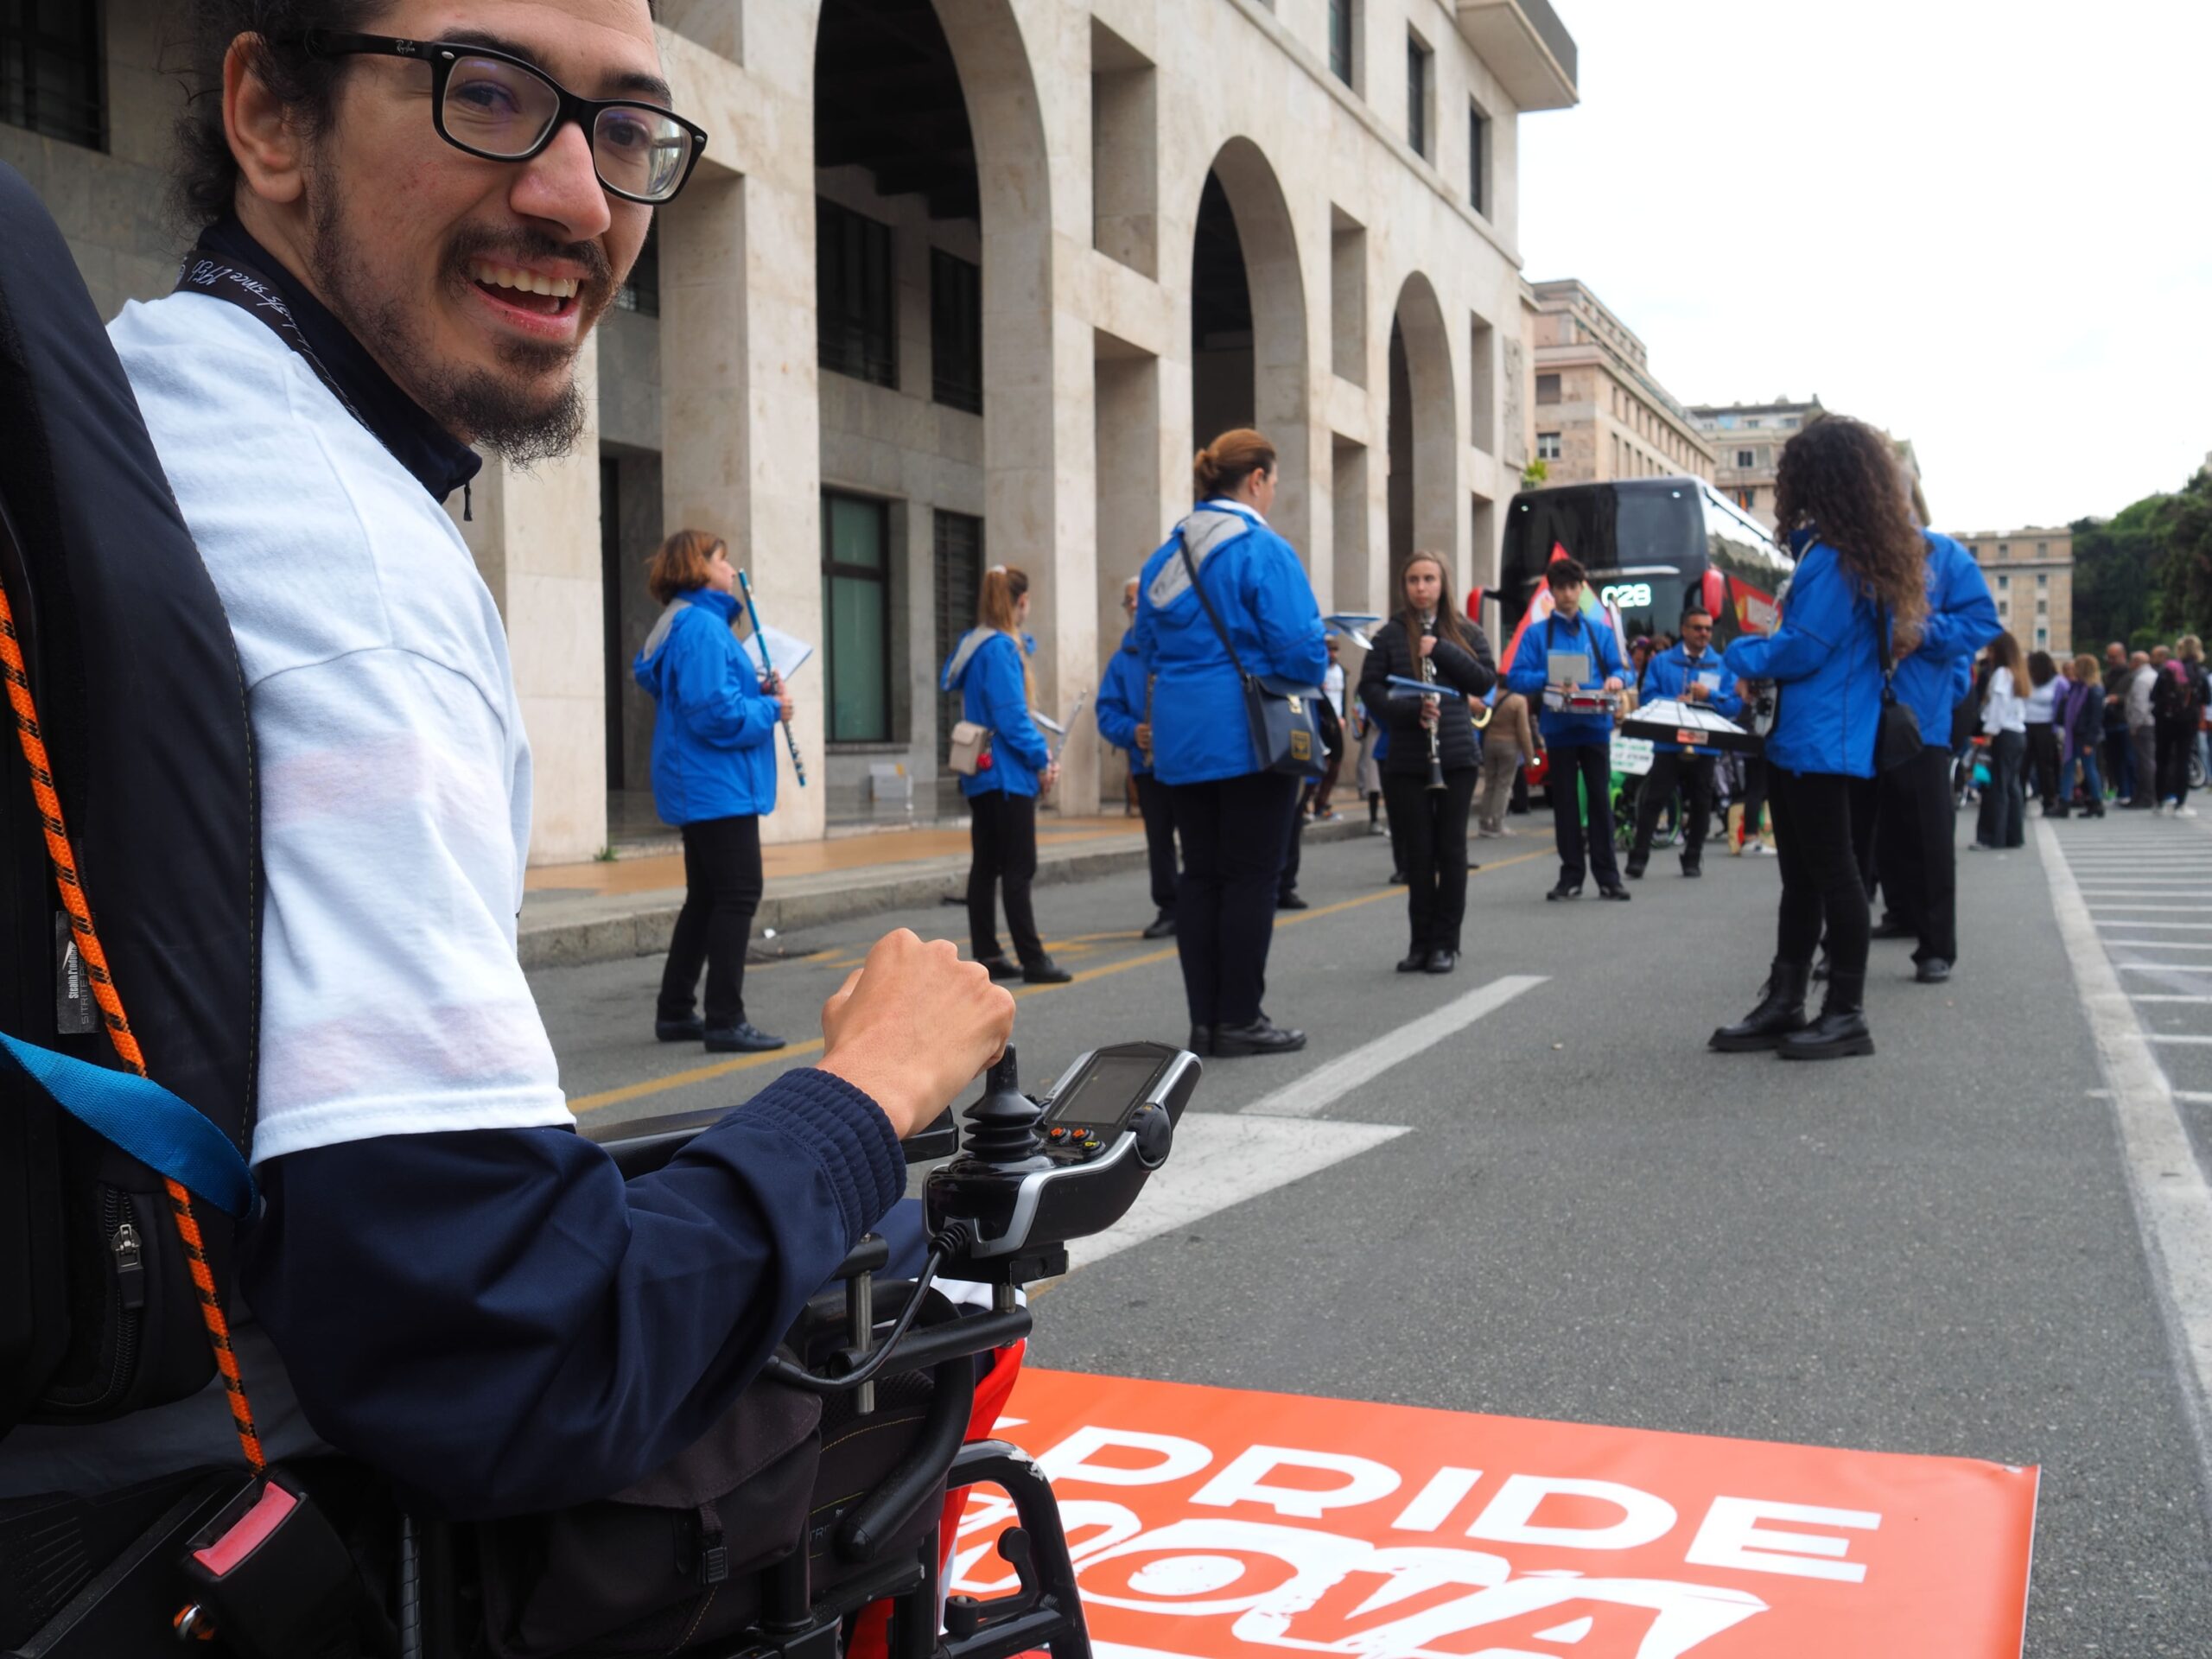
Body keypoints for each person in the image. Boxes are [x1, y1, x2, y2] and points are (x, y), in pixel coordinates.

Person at [24, 0, 1016, 1520]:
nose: (578, 202)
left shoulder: (147, 385)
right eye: (483, 93)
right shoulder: (353, 578)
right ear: (271, 119)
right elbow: (513, 1364)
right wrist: (869, 1088)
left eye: (624, 131)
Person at [1710, 415, 1928, 1061]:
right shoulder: (1850, 555)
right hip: (1817, 738)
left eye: (1795, 473)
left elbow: (1803, 649)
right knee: (1806, 879)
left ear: (1822, 479)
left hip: (1820, 741)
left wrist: (1740, 653)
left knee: (1832, 876)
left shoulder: (1834, 561)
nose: (1787, 486)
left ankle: (1844, 1012)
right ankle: (1789, 1003)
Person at [1136, 428, 1326, 1057]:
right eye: (1273, 483)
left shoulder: (1165, 555)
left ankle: (1205, 1021)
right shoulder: (1261, 547)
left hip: (1181, 736)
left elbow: (1146, 648)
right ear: (1257, 480)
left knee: (1201, 876)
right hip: (1248, 734)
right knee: (1251, 876)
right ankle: (1240, 1018)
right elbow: (1300, 651)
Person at [635, 530, 793, 1052]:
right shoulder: (702, 626)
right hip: (716, 783)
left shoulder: (684, 621)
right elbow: (715, 713)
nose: (730, 570)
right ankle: (725, 1019)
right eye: (722, 561)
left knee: (706, 897)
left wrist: (757, 690)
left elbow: (708, 698)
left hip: (702, 781)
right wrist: (772, 708)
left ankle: (676, 1010)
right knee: (738, 894)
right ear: (699, 567)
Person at [1357, 551, 1497, 973]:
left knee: (1451, 850)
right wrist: (1410, 711)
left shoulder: (1466, 630)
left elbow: (1484, 680)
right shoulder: (1389, 635)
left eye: (1429, 579)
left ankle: (1445, 944)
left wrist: (1443, 651)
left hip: (1455, 755)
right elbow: (1370, 690)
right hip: (1407, 757)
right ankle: (1419, 943)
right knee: (1417, 854)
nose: (1421, 587)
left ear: (1442, 583)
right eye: (1413, 580)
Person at [1869, 530, 1999, 983]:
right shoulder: (1847, 548)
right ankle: (1884, 922)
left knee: (1927, 836)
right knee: (1869, 834)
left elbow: (1980, 622)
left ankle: (1936, 945)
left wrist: (1923, 633)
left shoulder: (1942, 554)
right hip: (1857, 715)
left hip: (1921, 720)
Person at [943, 566, 1071, 983]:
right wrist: (1041, 759)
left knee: (986, 866)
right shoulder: (1000, 650)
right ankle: (1033, 958)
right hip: (1005, 774)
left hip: (981, 770)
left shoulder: (974, 644)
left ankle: (989, 954)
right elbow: (1013, 717)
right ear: (1021, 601)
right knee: (1019, 866)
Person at [1503, 555, 1630, 901]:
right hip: (1558, 728)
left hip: (1595, 727)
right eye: (1561, 588)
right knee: (1565, 805)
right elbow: (1516, 677)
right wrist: (1549, 678)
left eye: (1574, 587)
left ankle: (1609, 877)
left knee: (1600, 803)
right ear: (1552, 592)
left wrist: (1617, 679)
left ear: (1581, 590)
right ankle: (1571, 875)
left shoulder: (1600, 631)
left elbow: (1624, 668)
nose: (1568, 594)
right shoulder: (1536, 634)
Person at [1624, 605, 1740, 879]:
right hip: (1669, 743)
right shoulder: (1662, 662)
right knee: (1654, 801)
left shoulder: (1722, 664)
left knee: (1701, 805)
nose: (1704, 634)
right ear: (1684, 630)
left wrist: (1709, 695)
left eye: (1708, 629)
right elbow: (1647, 697)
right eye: (1698, 628)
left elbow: (1734, 705)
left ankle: (1692, 858)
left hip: (1705, 745)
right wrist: (1674, 702)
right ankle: (1638, 857)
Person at [1097, 576, 1179, 939]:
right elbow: (1107, 712)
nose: (1133, 606)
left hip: (1185, 762)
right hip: (1146, 766)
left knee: (1200, 839)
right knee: (1159, 840)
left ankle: (1200, 905)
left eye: (1138, 599)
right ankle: (1170, 907)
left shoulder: (1176, 648)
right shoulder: (1121, 661)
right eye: (1127, 601)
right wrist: (1132, 732)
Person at [1972, 632, 2030, 850]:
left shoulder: (2001, 675)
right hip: (2017, 733)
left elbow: (1997, 706)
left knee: (1995, 786)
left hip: (2002, 733)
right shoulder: (2018, 674)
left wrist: (1989, 733)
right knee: (2011, 786)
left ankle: (1991, 836)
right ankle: (2013, 835)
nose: (1988, 654)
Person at [2153, 635, 2209, 817]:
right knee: (2182, 760)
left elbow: (2154, 695)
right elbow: (2206, 698)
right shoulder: (2200, 672)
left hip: (2165, 720)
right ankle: (2180, 804)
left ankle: (2160, 802)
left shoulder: (2167, 669)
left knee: (2162, 760)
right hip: (2188, 721)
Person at [1476, 689, 1535, 838]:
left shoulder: (1489, 697)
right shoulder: (1518, 700)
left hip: (1489, 743)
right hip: (1509, 745)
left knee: (1490, 784)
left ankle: (1484, 822)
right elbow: (1524, 729)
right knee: (1504, 785)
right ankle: (1497, 824)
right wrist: (1529, 755)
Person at [2063, 653, 2108, 818]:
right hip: (2075, 734)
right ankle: (2065, 800)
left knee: (2089, 769)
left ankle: (2096, 801)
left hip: (2085, 736)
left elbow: (2096, 718)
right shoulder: (2077, 687)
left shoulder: (2093, 689)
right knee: (2069, 768)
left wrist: (2090, 741)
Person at [1310, 632, 1348, 820]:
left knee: (1335, 765)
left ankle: (1321, 803)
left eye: (1335, 650)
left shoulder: (1341, 671)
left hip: (1337, 723)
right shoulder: (1317, 672)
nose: (1332, 654)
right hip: (1322, 724)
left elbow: (1343, 697)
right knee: (1320, 766)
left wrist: (1343, 717)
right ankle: (1308, 804)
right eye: (1329, 649)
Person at [2023, 650, 2063, 815]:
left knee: (2045, 766)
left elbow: (2062, 704)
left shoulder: (2057, 682)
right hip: (2026, 724)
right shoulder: (2026, 680)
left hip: (2046, 726)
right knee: (2023, 766)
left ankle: (2049, 800)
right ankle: (2019, 800)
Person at [2102, 640, 2137, 804]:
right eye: (2108, 657)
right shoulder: (2106, 675)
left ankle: (2131, 792)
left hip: (2125, 721)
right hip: (2109, 722)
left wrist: (2119, 699)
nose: (2110, 660)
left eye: (2113, 657)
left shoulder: (2132, 675)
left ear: (2123, 656)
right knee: (2113, 760)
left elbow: (2135, 697)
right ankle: (2121, 791)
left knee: (2128, 758)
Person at [2126, 647, 2159, 810]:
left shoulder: (2141, 680)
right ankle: (2147, 795)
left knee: (2144, 762)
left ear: (2137, 662)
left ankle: (2146, 796)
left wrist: (2134, 725)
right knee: (2148, 760)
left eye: (2131, 661)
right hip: (2152, 723)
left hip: (2143, 725)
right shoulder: (2154, 675)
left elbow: (2140, 706)